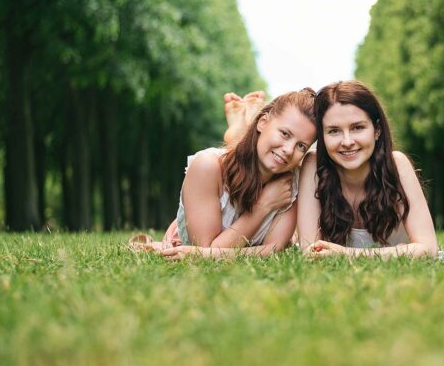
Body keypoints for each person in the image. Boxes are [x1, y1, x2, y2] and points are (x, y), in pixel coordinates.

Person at [130, 88, 317, 259]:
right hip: (211, 195)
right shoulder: (207, 167)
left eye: (301, 146)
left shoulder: (291, 185)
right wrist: (263, 206)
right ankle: (239, 129)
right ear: (262, 122)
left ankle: (238, 130)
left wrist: (208, 254)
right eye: (285, 134)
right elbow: (207, 251)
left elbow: (272, 249)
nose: (289, 150)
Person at [297, 81, 442, 259]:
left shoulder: (398, 166)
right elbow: (309, 250)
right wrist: (401, 252)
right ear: (323, 136)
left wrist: (345, 254)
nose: (347, 141)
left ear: (377, 130)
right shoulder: (313, 166)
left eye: (358, 128)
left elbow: (428, 249)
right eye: (334, 131)